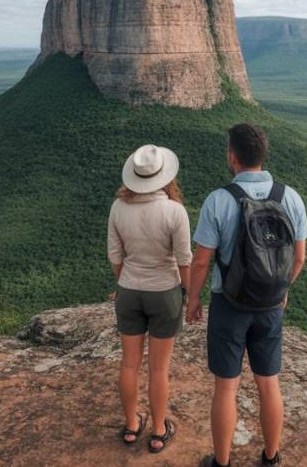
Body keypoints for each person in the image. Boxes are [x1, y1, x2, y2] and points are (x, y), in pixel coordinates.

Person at [186, 123, 307, 467]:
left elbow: (200, 261)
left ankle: (221, 462)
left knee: (226, 388)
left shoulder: (218, 200)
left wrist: (193, 301)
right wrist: (282, 289)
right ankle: (271, 457)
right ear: (262, 155)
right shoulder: (291, 197)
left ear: (232, 157)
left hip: (229, 303)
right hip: (271, 304)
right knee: (269, 383)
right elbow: (299, 257)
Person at [108, 144, 192, 454]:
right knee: (159, 369)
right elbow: (185, 260)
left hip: (129, 291)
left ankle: (131, 425)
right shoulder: (174, 211)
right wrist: (187, 293)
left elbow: (115, 256)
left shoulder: (118, 207)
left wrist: (124, 283)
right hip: (164, 293)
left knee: (129, 364)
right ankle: (158, 431)